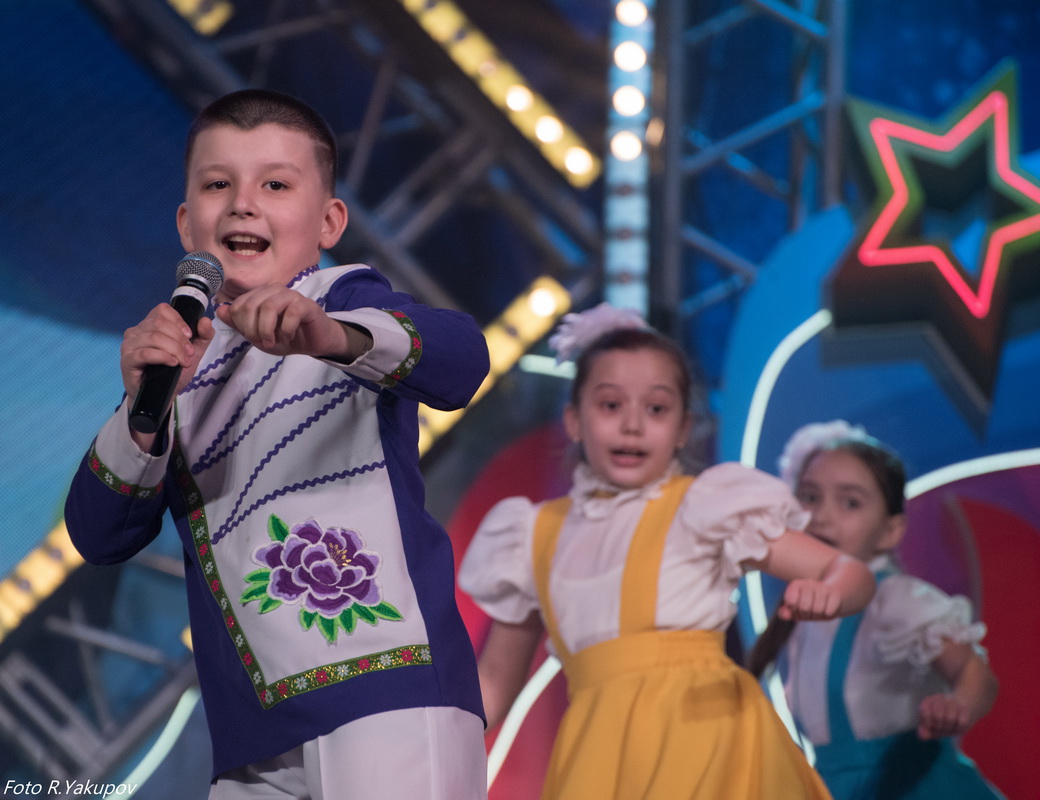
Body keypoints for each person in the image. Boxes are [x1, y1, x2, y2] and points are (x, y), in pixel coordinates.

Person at [63, 89, 490, 800]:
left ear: (329, 222)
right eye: (217, 184)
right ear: (186, 223)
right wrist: (143, 404)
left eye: (276, 185)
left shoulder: (344, 300)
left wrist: (330, 335)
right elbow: (98, 532)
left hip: (385, 691)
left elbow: (462, 359)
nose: (242, 204)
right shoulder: (179, 364)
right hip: (250, 736)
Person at [458, 304, 876, 799]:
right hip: (601, 760)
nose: (633, 425)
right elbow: (494, 680)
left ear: (682, 428)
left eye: (656, 409)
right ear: (574, 419)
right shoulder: (533, 534)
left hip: (709, 744)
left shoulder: (704, 505)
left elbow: (846, 571)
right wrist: (427, 736)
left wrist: (832, 592)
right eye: (610, 405)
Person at [748, 421, 1004, 799]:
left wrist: (958, 706)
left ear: (890, 531)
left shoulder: (895, 599)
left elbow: (973, 672)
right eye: (810, 496)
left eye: (850, 502)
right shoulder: (801, 612)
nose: (821, 516)